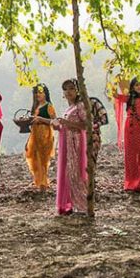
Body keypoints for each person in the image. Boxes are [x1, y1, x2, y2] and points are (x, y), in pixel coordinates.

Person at [39, 79, 87, 215]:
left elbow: (86, 125)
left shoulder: (80, 106)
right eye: (65, 89)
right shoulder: (69, 108)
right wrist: (57, 126)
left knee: (75, 171)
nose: (68, 92)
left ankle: (81, 203)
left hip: (76, 142)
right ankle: (67, 203)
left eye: (71, 88)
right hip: (65, 142)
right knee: (66, 172)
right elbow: (64, 126)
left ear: (77, 90)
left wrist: (67, 123)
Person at [24, 83, 56, 190]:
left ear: (45, 94)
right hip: (35, 135)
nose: (38, 95)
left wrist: (41, 120)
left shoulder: (49, 106)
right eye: (36, 93)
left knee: (43, 159)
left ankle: (43, 183)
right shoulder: (36, 107)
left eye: (40, 92)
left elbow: (54, 121)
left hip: (45, 135)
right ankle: (38, 181)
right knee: (35, 158)